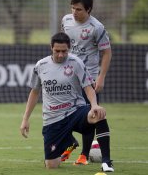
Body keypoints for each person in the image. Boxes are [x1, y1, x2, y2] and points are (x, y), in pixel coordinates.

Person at [20, 32, 114, 172]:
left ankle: (106, 162)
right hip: (52, 120)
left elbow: (88, 87)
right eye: (57, 51)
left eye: (64, 51)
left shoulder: (76, 62)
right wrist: (25, 119)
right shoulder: (41, 65)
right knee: (51, 165)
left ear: (69, 48)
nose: (60, 55)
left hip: (75, 111)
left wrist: (94, 105)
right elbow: (34, 92)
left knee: (98, 114)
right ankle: (69, 142)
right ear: (51, 47)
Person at [60, 0, 112, 165]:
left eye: (79, 9)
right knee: (61, 113)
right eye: (73, 8)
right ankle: (70, 143)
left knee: (91, 115)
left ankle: (83, 155)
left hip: (88, 79)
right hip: (67, 77)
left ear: (89, 10)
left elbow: (106, 52)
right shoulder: (66, 21)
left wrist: (101, 77)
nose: (75, 12)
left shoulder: (97, 27)